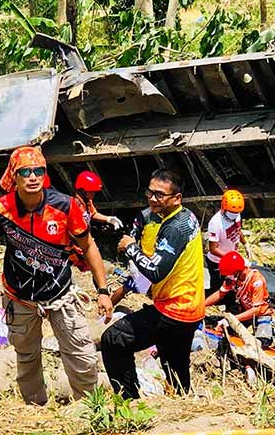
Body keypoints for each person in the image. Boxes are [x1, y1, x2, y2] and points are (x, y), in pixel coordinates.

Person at [0, 146, 113, 405]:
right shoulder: (2, 209)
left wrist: (103, 291)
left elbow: (88, 246)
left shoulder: (65, 206)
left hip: (60, 294)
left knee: (80, 354)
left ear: (45, 174)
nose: (32, 177)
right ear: (14, 176)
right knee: (27, 355)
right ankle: (35, 405)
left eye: (38, 171)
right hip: (18, 296)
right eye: (25, 172)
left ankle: (90, 406)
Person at [101, 169, 205, 400]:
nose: (152, 198)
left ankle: (130, 401)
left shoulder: (175, 228)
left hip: (173, 310)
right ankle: (183, 405)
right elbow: (145, 218)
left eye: (159, 195)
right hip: (190, 308)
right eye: (150, 192)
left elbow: (156, 271)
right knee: (175, 368)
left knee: (114, 339)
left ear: (176, 198)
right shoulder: (185, 216)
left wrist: (130, 247)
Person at [205, 251, 275, 349]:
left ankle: (269, 331)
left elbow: (256, 310)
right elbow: (220, 294)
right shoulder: (233, 277)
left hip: (260, 314)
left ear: (238, 271)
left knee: (261, 344)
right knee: (213, 324)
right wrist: (201, 306)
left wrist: (232, 320)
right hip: (245, 311)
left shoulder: (256, 281)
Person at [205, 190, 252, 297]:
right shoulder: (215, 223)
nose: (234, 215)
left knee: (231, 289)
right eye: (232, 213)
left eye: (236, 213)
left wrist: (246, 244)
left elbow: (237, 230)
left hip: (232, 259)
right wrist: (232, 259)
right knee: (217, 291)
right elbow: (213, 249)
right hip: (218, 262)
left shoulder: (237, 216)